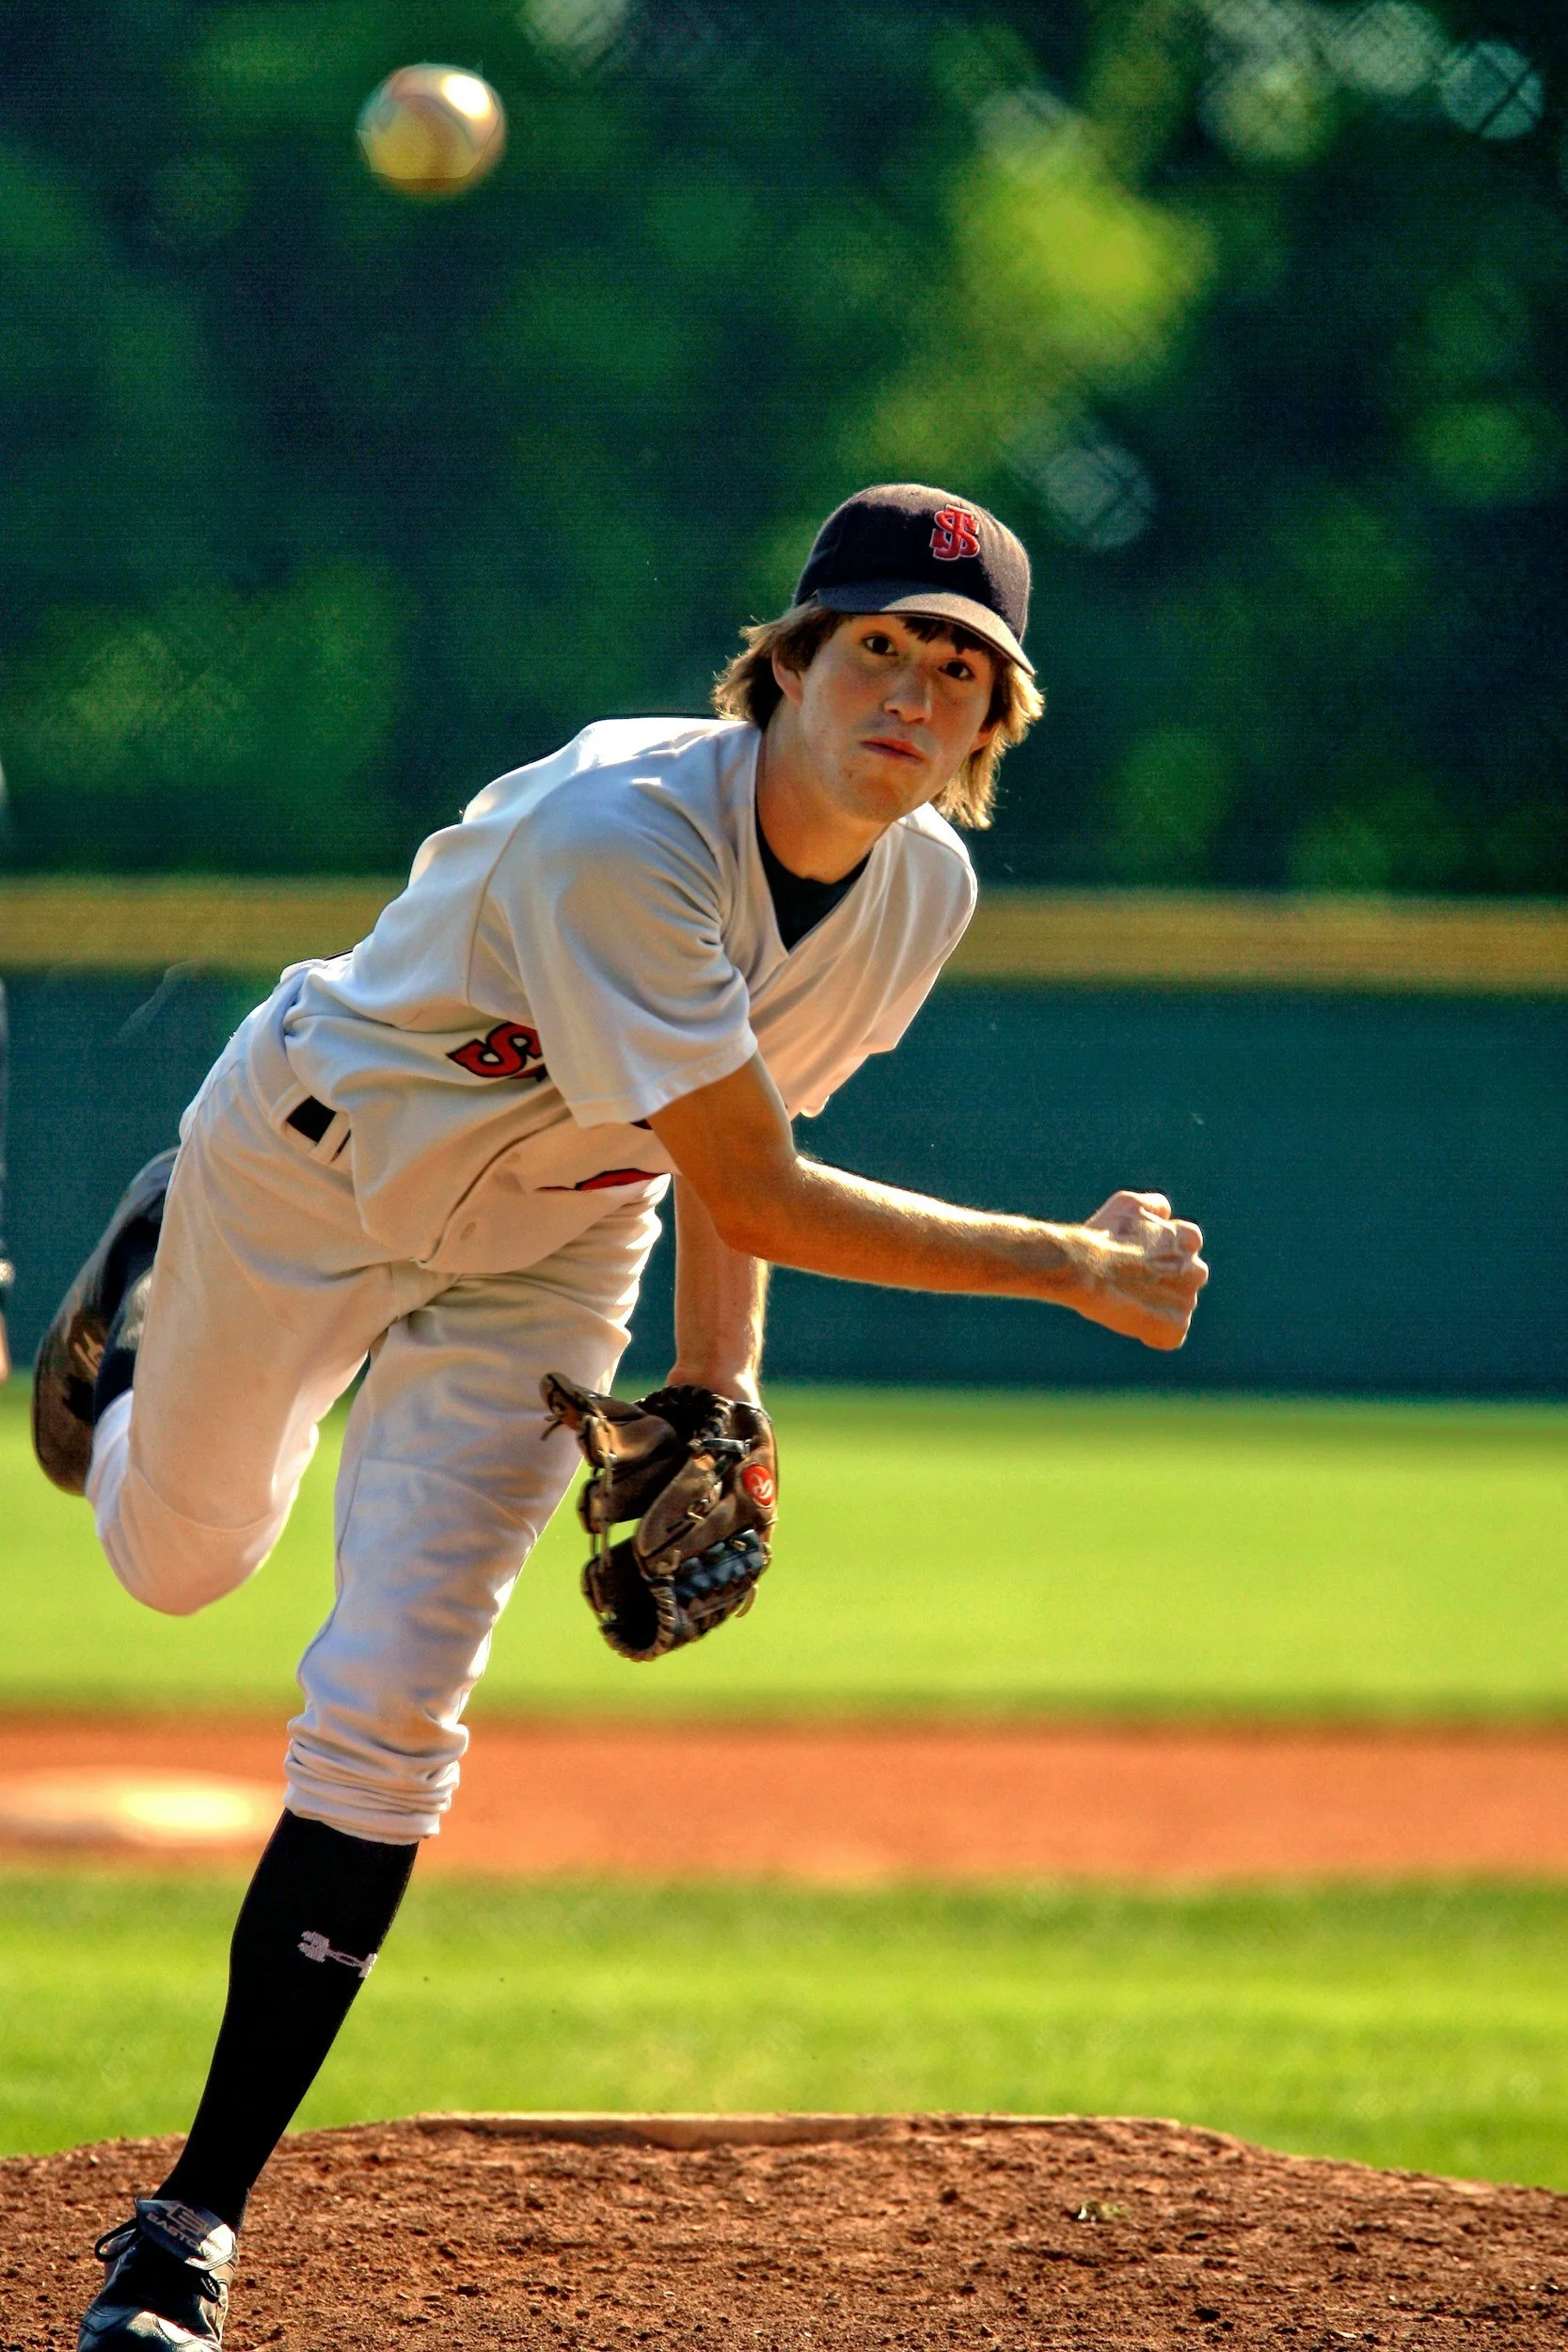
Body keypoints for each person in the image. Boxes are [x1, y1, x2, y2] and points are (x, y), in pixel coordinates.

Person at [35, 483, 1207, 2349]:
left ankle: (188, 2224)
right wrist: (1063, 1261)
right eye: (874, 641)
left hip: (555, 1242)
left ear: (995, 725)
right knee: (181, 1562)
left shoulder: (918, 893)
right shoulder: (621, 835)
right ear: (786, 667)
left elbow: (743, 1138)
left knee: (396, 1704)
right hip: (303, 1171)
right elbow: (756, 1184)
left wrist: (718, 1388)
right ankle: (137, 1299)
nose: (908, 684)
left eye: (955, 662)